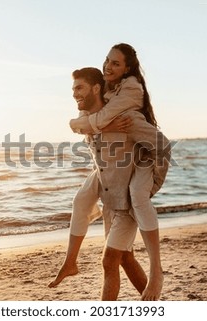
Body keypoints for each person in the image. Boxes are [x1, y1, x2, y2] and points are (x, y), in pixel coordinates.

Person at [50, 44, 170, 301]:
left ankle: (153, 275)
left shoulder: (125, 116)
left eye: (79, 88)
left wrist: (148, 181)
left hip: (130, 194)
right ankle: (155, 304)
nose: (74, 95)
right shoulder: (90, 117)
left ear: (95, 89)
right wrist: (88, 125)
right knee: (124, 257)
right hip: (111, 195)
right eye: (107, 61)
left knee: (109, 260)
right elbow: (81, 126)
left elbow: (161, 146)